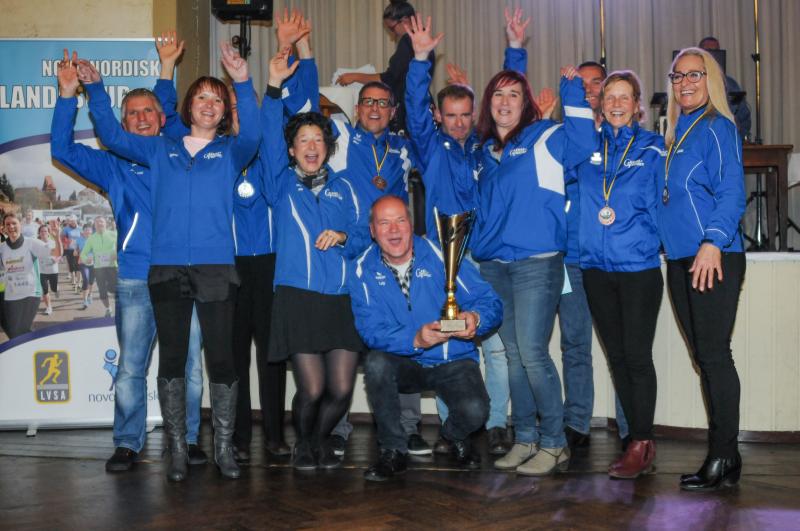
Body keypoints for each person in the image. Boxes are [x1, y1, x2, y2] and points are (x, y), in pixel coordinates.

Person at [80, 40, 260, 482]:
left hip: (216, 270)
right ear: (187, 107)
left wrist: (242, 80)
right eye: (201, 97)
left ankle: (223, 448)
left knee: (221, 361)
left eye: (217, 100)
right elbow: (113, 136)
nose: (209, 104)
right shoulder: (161, 149)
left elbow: (254, 135)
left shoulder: (230, 151)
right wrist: (96, 90)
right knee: (173, 361)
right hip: (165, 269)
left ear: (223, 112)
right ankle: (177, 448)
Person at [52, 48, 207, 473]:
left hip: (185, 278)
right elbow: (61, 149)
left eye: (148, 111)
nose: (141, 118)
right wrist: (68, 95)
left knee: (191, 366)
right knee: (130, 368)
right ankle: (126, 442)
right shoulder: (112, 165)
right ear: (122, 126)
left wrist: (167, 70)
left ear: (162, 119)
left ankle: (190, 439)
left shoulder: (180, 154)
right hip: (137, 278)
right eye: (133, 113)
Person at [403, 9, 529, 456]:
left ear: (474, 114)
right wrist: (421, 61)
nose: (458, 122)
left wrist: (516, 50)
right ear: (438, 116)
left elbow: (511, 103)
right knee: (447, 344)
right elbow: (414, 109)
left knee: (495, 348)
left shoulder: (486, 145)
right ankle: (453, 427)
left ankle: (494, 426)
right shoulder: (429, 147)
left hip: (487, 257)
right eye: (450, 115)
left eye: (464, 114)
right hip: (443, 258)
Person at [469, 60, 595, 476]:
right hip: (495, 266)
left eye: (514, 95)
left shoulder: (546, 136)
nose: (505, 102)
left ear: (526, 104)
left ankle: (554, 443)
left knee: (533, 353)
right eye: (498, 94)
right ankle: (525, 438)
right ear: (488, 103)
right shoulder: (483, 153)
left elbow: (584, 143)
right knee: (514, 356)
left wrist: (571, 91)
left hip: (537, 264)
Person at [262, 47, 366, 471]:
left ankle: (319, 439)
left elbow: (367, 235)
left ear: (327, 147)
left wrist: (344, 236)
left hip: (341, 299)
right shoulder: (280, 185)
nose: (311, 146)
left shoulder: (347, 187)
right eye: (303, 141)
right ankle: (304, 443)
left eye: (318, 140)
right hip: (298, 298)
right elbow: (268, 137)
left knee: (340, 390)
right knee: (313, 389)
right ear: (291, 150)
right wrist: (273, 88)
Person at [350, 195, 502, 481]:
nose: (394, 230)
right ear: (372, 230)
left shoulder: (443, 253)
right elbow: (371, 331)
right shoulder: (361, 270)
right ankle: (393, 450)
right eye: (384, 223)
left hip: (453, 358)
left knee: (476, 412)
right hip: (405, 361)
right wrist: (415, 339)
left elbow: (490, 301)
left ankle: (452, 435)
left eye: (400, 220)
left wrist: (476, 318)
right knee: (376, 363)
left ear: (411, 224)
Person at [659, 47, 745, 491]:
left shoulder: (717, 127)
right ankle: (726, 455)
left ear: (711, 79)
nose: (685, 83)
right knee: (705, 358)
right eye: (678, 76)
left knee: (714, 356)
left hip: (712, 256)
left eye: (695, 74)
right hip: (680, 259)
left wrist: (713, 241)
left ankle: (723, 454)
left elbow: (732, 191)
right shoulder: (677, 134)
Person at [576, 70, 664, 479]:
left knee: (637, 357)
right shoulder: (585, 147)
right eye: (608, 96)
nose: (615, 104)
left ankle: (641, 440)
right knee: (617, 358)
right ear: (599, 103)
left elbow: (665, 203)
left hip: (639, 268)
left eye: (624, 97)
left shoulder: (653, 147)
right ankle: (637, 442)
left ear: (637, 105)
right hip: (596, 268)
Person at [335, 0, 434, 134]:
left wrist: (355, 76)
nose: (393, 35)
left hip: (410, 109)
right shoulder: (423, 43)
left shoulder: (408, 41)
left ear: (405, 20)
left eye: (392, 28)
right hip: (422, 105)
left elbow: (390, 78)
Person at [0, 213, 54, 338]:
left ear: (21, 225)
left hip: (31, 292)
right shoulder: (2, 248)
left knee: (21, 328)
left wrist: (56, 238)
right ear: (4, 228)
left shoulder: (30, 243)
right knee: (13, 330)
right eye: (8, 224)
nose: (11, 226)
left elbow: (55, 252)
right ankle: (29, 345)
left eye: (14, 223)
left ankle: (30, 346)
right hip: (10, 292)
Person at [698, 36, 751, 140]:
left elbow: (744, 118)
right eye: (708, 51)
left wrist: (738, 137)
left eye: (716, 52)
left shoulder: (731, 85)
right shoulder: (691, 83)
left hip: (727, 140)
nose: (712, 56)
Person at [79, 216, 117, 318]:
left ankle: (119, 307)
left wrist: (117, 254)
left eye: (101, 222)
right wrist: (86, 259)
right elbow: (83, 254)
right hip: (99, 269)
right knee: (102, 292)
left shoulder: (114, 234)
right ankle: (108, 309)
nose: (100, 224)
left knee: (114, 290)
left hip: (113, 267)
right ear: (94, 225)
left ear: (105, 224)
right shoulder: (91, 238)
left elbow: (123, 248)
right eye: (97, 222)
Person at [37, 223, 62, 316]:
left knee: (53, 288)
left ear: (48, 233)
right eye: (41, 231)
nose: (43, 233)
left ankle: (56, 289)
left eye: (45, 231)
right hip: (41, 271)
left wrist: (57, 259)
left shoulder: (53, 242)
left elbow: (60, 254)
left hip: (53, 270)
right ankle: (49, 307)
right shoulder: (37, 243)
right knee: (45, 290)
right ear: (39, 233)